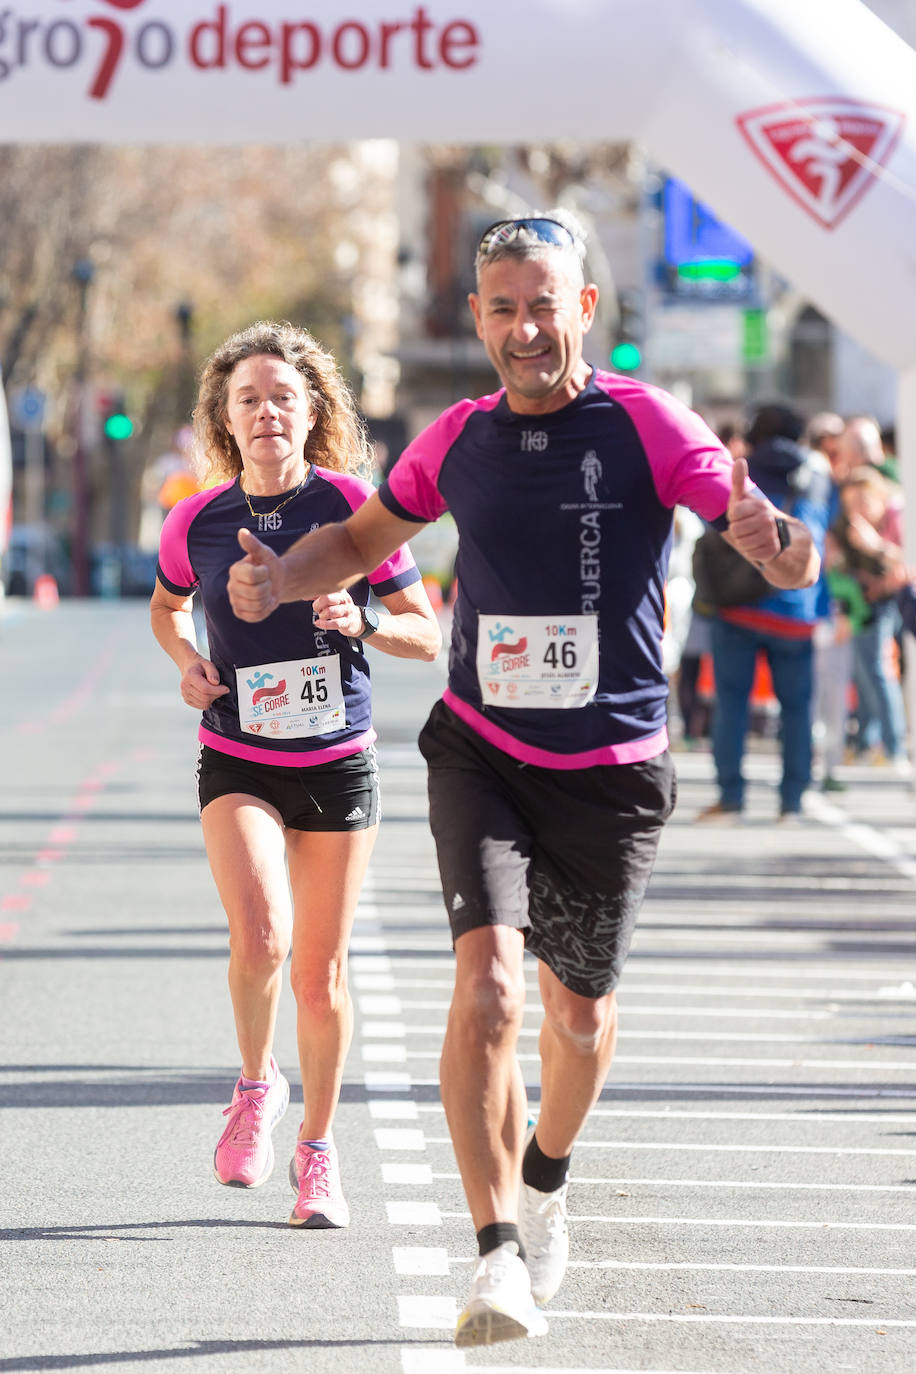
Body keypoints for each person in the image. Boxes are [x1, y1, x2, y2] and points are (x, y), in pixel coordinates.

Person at [225, 214, 819, 1345]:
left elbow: (777, 545)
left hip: (611, 767)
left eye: (542, 303)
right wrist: (278, 581)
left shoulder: (645, 422)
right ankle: (495, 1254)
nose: (521, 328)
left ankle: (544, 1176)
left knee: (577, 1018)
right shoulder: (456, 437)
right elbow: (358, 541)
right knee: (490, 990)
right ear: (479, 320)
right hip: (482, 748)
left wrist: (775, 538)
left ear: (583, 308)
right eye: (500, 308)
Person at [150, 321, 441, 1229]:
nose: (268, 411)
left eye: (283, 396)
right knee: (262, 939)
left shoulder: (353, 507)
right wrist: (186, 662)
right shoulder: (196, 520)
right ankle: (253, 1083)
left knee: (320, 977)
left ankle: (317, 1152)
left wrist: (361, 622)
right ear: (224, 420)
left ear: (312, 408)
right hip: (238, 753)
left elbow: (427, 633)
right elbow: (167, 610)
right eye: (249, 399)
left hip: (338, 764)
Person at [697, 403, 831, 822]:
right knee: (796, 708)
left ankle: (731, 796)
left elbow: (715, 523)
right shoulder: (818, 472)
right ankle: (792, 800)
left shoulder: (741, 468)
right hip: (796, 606)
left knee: (732, 704)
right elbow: (827, 532)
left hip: (739, 604)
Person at [829, 464, 909, 767]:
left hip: (888, 604)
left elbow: (903, 563)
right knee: (862, 675)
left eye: (864, 502)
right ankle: (866, 742)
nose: (858, 509)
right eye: (852, 504)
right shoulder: (844, 525)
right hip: (858, 606)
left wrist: (875, 546)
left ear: (879, 498)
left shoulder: (896, 519)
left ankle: (894, 747)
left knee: (878, 672)